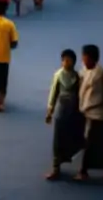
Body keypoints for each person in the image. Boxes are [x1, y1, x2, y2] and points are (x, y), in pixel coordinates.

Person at [77, 44, 103, 182]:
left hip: (97, 113)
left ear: (93, 58)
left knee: (92, 142)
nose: (83, 60)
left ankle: (84, 171)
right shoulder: (83, 72)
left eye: (85, 57)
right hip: (86, 111)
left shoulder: (102, 73)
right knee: (97, 142)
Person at [45, 49, 84, 181]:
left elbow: (81, 94)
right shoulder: (58, 75)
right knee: (58, 139)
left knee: (75, 137)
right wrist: (50, 111)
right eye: (64, 60)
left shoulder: (77, 76)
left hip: (75, 111)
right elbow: (53, 94)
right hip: (62, 110)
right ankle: (56, 168)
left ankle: (79, 166)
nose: (65, 62)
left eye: (68, 60)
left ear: (73, 62)